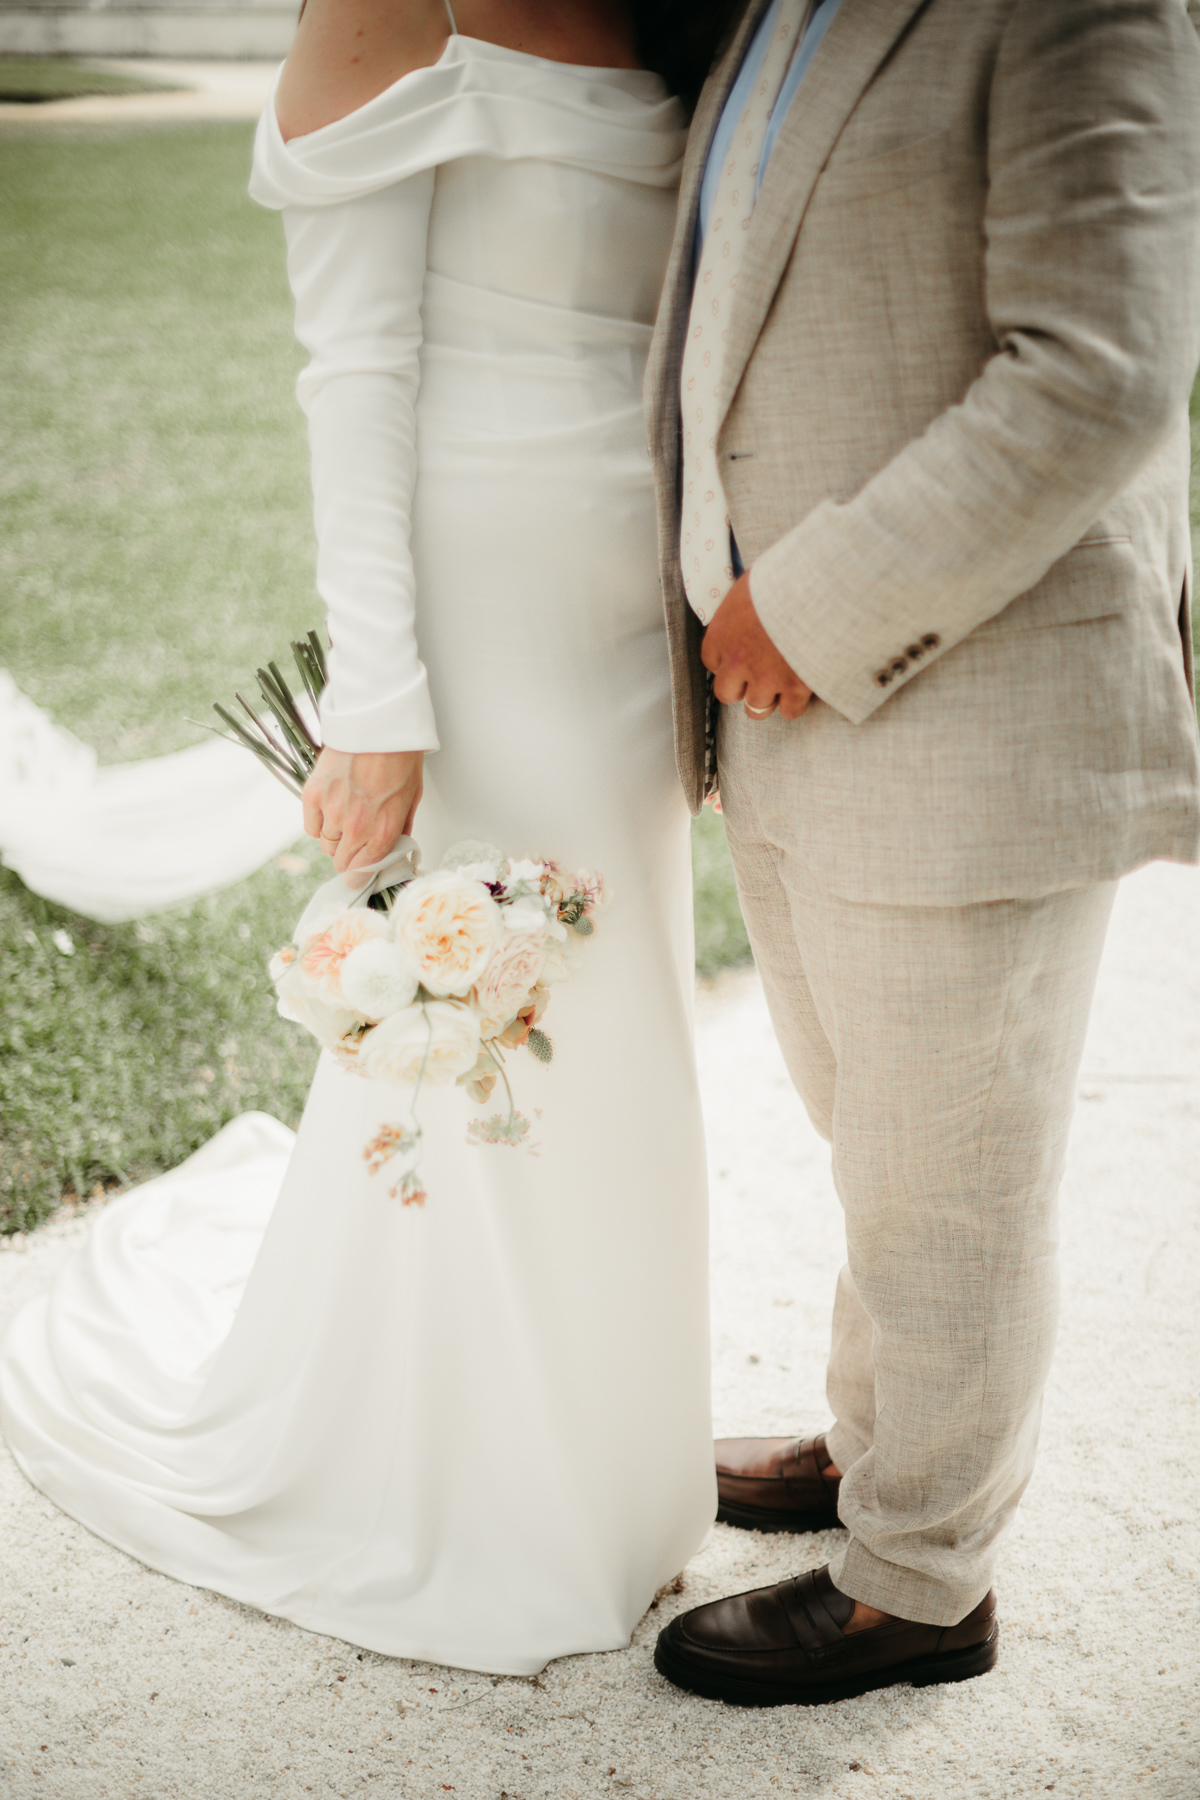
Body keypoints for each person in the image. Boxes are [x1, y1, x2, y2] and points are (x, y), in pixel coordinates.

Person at [0, 0, 734, 1677]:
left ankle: (611, 1452)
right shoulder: (398, 6)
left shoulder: (669, 9)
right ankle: (472, 1483)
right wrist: (379, 698)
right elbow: (352, 369)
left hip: (632, 600)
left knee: (617, 1020)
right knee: (496, 1020)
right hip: (478, 619)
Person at [648, 0, 1200, 1706]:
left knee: (952, 1177)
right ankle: (877, 1445)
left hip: (960, 689)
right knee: (874, 1135)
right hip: (794, 706)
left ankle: (920, 1579)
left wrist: (803, 608)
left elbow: (1099, 368)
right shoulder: (763, 11)